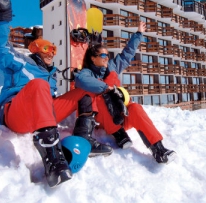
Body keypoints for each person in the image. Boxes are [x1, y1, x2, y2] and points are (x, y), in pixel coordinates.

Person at [0, 0, 112, 188]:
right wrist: (4, 15)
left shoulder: (51, 76)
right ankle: (53, 157)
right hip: (18, 113)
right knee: (39, 86)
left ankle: (85, 137)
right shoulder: (20, 63)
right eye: (47, 49)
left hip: (45, 112)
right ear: (36, 50)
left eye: (54, 50)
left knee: (84, 91)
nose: (52, 53)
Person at [74, 21, 177, 164]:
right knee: (100, 96)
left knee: (135, 107)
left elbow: (127, 53)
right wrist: (107, 88)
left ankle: (158, 149)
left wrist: (138, 33)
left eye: (107, 55)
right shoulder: (87, 72)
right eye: (103, 56)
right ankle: (118, 134)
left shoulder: (112, 66)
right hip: (104, 121)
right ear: (93, 58)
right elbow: (80, 80)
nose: (106, 58)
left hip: (121, 115)